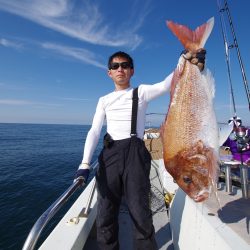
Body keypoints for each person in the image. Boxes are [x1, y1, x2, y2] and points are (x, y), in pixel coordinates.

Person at [74, 50, 206, 250]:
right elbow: (94, 130)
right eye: (115, 66)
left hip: (135, 153)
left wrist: (183, 60)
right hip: (110, 155)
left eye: (125, 65)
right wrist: (85, 163)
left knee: (140, 213)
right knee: (106, 212)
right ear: (109, 73)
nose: (120, 69)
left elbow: (166, 84)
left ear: (132, 71)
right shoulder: (104, 100)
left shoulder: (141, 92)